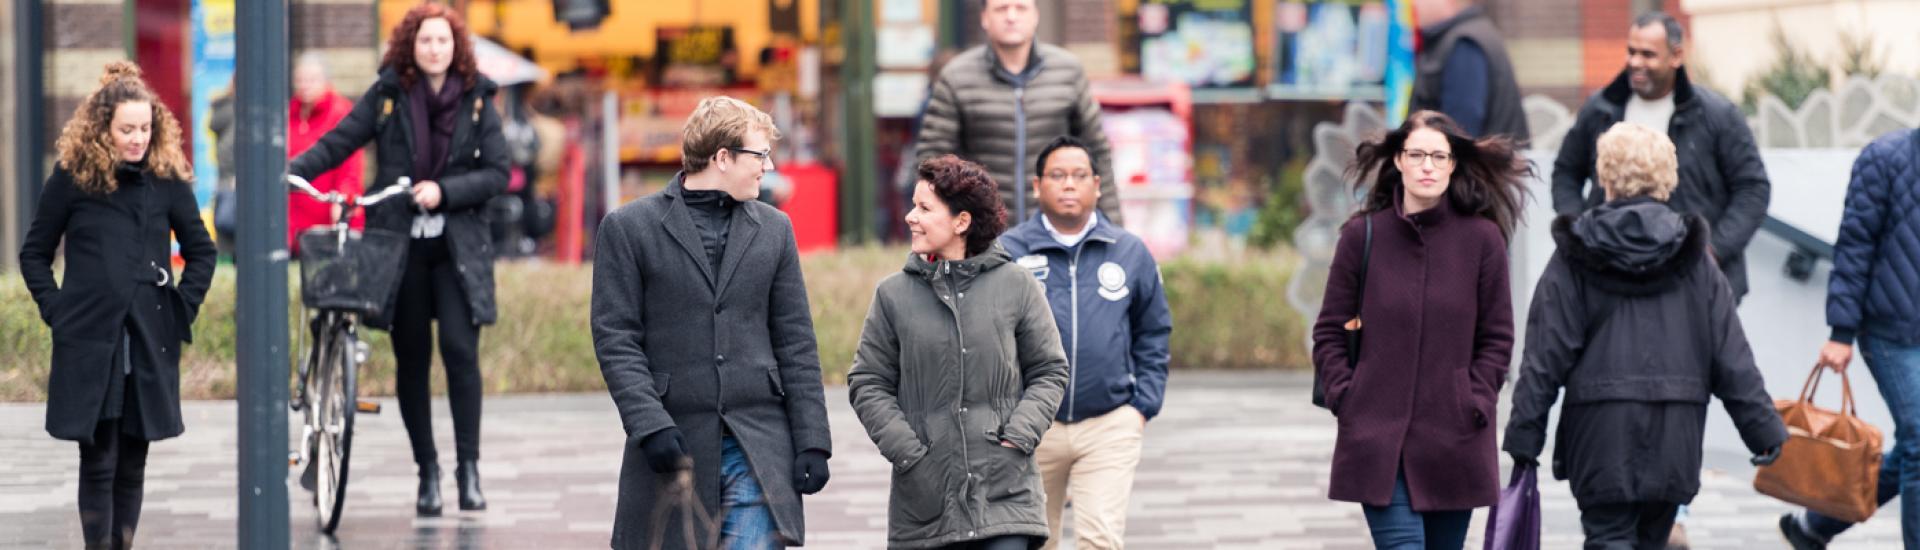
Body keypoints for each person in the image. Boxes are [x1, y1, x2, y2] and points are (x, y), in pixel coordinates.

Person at [1505, 122, 1786, 549]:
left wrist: (1526, 433)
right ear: (1668, 177)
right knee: (1654, 539)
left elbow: (1545, 354)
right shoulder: (1696, 259)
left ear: (1604, 175)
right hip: (1676, 427)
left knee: (1607, 536)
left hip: (1600, 428)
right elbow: (1731, 354)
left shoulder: (1575, 254)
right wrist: (1762, 428)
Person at [288, 3, 508, 516]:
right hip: (400, 248)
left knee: (460, 352)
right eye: (426, 40)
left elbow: (497, 172)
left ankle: (468, 471)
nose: (434, 49)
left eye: (443, 41)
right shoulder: (388, 94)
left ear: (456, 48)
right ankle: (427, 472)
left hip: (457, 250)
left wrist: (445, 191)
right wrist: (292, 169)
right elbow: (341, 141)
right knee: (412, 361)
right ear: (411, 44)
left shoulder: (478, 99)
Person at [591, 96, 834, 550]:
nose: (769, 166)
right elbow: (615, 338)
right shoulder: (629, 228)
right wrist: (650, 425)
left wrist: (813, 440)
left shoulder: (775, 228)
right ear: (722, 157)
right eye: (760, 155)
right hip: (673, 442)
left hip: (759, 444)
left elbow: (796, 340)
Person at [18, 61, 217, 550]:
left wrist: (180, 310)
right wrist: (57, 311)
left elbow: (202, 251)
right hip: (90, 339)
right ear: (102, 128)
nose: (138, 139)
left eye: (146, 128)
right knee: (99, 456)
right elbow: (34, 253)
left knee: (134, 458)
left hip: (148, 339)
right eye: (127, 129)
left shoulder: (166, 179)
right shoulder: (72, 177)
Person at [1311, 110, 1526, 549]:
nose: (1427, 165)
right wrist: (1347, 397)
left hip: (1455, 439)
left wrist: (1476, 397)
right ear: (1398, 161)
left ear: (1453, 165)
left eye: (1438, 156)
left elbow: (1498, 337)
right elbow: (1330, 331)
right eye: (1417, 154)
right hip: (1379, 439)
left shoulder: (1482, 241)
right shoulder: (1361, 236)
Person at [848, 155, 1071, 549]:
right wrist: (909, 453)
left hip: (1005, 495)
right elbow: (867, 382)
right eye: (913, 206)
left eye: (924, 208)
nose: (910, 217)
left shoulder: (1017, 285)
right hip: (926, 500)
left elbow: (1050, 370)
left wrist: (1018, 437)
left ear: (961, 222)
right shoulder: (892, 295)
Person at [999, 136, 1172, 550]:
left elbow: (1153, 330)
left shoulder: (1129, 252)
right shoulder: (1008, 252)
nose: (1069, 185)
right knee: (1035, 541)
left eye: (1080, 176)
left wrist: (1141, 406)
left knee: (1100, 541)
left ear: (1097, 185)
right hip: (1031, 427)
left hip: (1110, 422)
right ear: (1037, 186)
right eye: (1057, 176)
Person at [1551, 11, 1769, 303]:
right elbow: (1566, 171)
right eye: (1631, 52)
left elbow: (1753, 188)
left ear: (1676, 56)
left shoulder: (1718, 115)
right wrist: (1580, 234)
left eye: (1648, 54)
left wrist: (1711, 250)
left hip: (1697, 284)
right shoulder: (1601, 109)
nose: (1635, 62)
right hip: (1611, 278)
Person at [1777, 127, 1920, 549]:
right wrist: (1841, 332)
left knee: (1914, 447)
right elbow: (1855, 245)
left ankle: (1815, 527)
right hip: (1891, 330)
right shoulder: (1885, 158)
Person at [914, 0, 1122, 225]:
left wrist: (1112, 227)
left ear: (1035, 16)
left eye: (1020, 7)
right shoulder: (956, 77)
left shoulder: (1068, 72)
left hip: (1053, 230)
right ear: (985, 17)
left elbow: (1097, 151)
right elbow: (934, 162)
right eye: (1002, 8)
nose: (1011, 16)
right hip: (983, 233)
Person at [1409, 0, 1529, 140]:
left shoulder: (1464, 43)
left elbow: (1461, 127)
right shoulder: (1470, 33)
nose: (1414, 3)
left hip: (1482, 160)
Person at [287, 52, 365, 254]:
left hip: (326, 210)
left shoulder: (341, 113)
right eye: (300, 80)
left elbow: (351, 165)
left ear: (326, 81)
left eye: (312, 80)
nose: (305, 85)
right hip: (294, 215)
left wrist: (343, 198)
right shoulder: (289, 114)